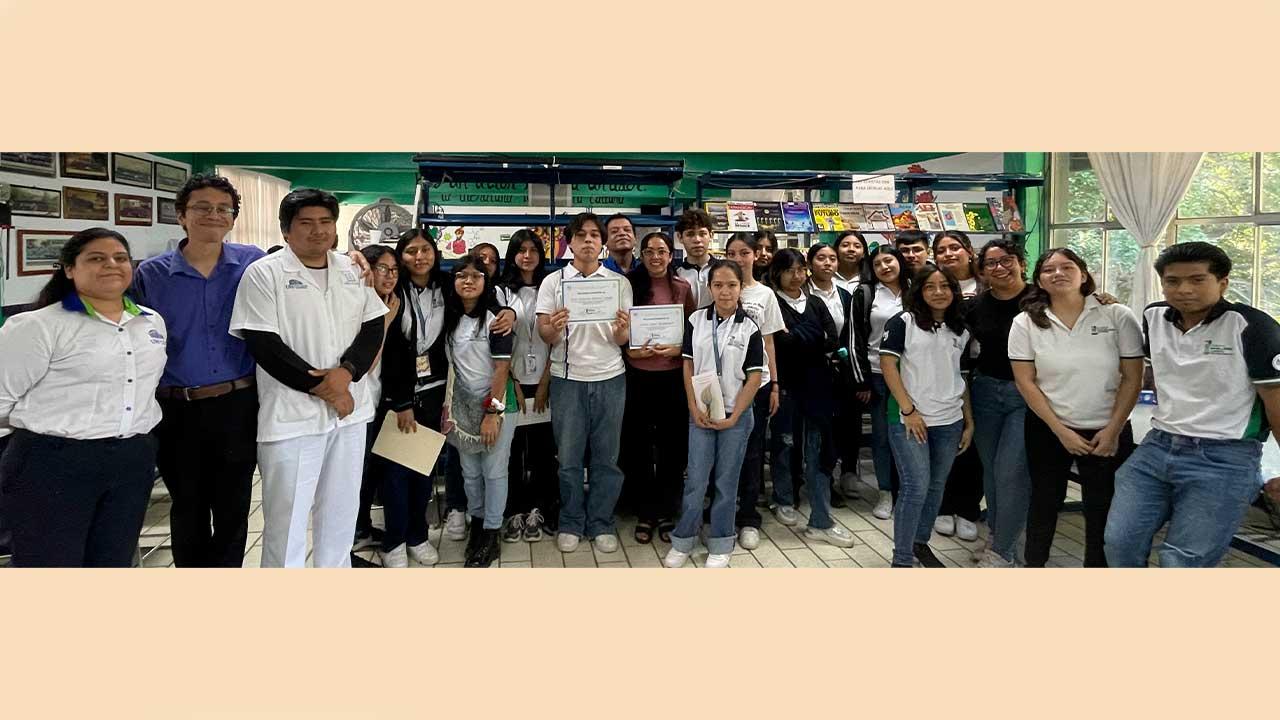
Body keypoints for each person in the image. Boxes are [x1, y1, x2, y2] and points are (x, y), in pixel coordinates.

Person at [229, 189, 388, 568]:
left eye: (325, 222)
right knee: (288, 523)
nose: (318, 231)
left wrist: (347, 374)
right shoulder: (264, 273)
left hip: (350, 415)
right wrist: (328, 390)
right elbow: (263, 344)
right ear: (286, 230)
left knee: (340, 515)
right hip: (293, 418)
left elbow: (371, 327)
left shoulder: (352, 270)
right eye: (306, 223)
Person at [1105, 241, 1280, 568]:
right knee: (1120, 543)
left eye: (1197, 280)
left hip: (1224, 458)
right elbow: (1154, 373)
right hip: (1156, 448)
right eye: (1172, 281)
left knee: (1183, 561)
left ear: (1222, 283)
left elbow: (1276, 403)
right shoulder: (1153, 316)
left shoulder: (1253, 327)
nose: (1183, 289)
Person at [0, 228, 168, 566]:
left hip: (130, 458)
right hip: (53, 462)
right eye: (96, 258)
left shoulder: (150, 322)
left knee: (113, 560)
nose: (111, 265)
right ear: (69, 268)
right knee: (51, 565)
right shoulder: (38, 326)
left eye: (120, 258)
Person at [130, 174, 263, 568]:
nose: (214, 214)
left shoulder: (253, 263)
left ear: (233, 218)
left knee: (234, 507)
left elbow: (304, 268)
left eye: (224, 209)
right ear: (181, 216)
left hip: (238, 403)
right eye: (202, 207)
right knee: (187, 505)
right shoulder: (150, 275)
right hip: (175, 409)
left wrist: (358, 259)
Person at [1009, 248, 1143, 567]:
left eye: (1067, 267)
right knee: (1044, 502)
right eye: (1049, 269)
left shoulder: (1116, 315)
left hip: (1107, 430)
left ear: (1083, 274)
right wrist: (1061, 431)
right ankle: (1035, 565)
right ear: (1039, 280)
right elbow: (1026, 381)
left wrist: (1112, 431)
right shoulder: (1026, 322)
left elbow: (1132, 378)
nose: (1058, 273)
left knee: (1102, 507)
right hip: (1049, 427)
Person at [536, 212, 634, 554]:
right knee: (569, 459)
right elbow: (544, 332)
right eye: (582, 235)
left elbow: (623, 339)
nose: (589, 240)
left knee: (607, 458)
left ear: (602, 242)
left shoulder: (618, 283)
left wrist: (623, 331)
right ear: (571, 242)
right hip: (568, 380)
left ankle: (601, 522)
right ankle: (571, 521)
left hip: (610, 378)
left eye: (595, 234)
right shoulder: (553, 282)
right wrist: (555, 327)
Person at [664, 260, 765, 568]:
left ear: (740, 288)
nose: (724, 291)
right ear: (709, 288)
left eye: (731, 285)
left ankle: (721, 541)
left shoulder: (750, 327)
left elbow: (755, 376)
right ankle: (684, 538)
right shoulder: (695, 321)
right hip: (703, 414)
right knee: (696, 479)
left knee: (726, 481)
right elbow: (688, 364)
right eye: (718, 285)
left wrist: (735, 417)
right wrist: (694, 407)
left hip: (736, 416)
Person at [879, 264, 974, 567]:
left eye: (945, 286)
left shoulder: (961, 327)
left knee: (936, 486)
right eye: (930, 286)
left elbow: (961, 375)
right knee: (915, 486)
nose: (938, 292)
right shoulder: (902, 322)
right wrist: (909, 410)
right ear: (919, 291)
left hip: (950, 420)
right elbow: (888, 366)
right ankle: (902, 558)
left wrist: (968, 420)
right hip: (909, 418)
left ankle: (920, 543)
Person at [768, 249, 856, 548]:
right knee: (784, 443)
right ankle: (783, 499)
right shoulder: (773, 302)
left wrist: (801, 335)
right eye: (789, 269)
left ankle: (821, 518)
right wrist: (810, 337)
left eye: (800, 269)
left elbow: (832, 339)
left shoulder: (816, 303)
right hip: (786, 386)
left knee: (818, 450)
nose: (796, 275)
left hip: (818, 386)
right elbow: (780, 342)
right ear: (777, 272)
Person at [619, 231, 696, 544]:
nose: (655, 257)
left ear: (670, 254)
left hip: (673, 379)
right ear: (641, 254)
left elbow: (693, 334)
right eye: (649, 251)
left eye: (661, 251)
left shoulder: (682, 287)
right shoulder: (630, 287)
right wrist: (631, 351)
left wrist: (677, 350)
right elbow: (620, 329)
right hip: (638, 376)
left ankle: (667, 510)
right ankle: (645, 510)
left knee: (672, 448)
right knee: (637, 447)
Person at [442, 255, 518, 568]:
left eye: (476, 276)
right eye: (462, 275)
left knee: (494, 471)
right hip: (463, 406)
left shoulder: (496, 319)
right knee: (470, 472)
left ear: (487, 282)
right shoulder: (449, 316)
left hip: (496, 405)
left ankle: (491, 530)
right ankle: (477, 523)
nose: (469, 281)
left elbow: (501, 369)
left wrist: (492, 413)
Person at [966, 238, 1034, 567]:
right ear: (982, 271)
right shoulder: (977, 305)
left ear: (1021, 262)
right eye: (991, 263)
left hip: (1027, 394)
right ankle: (997, 535)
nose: (999, 268)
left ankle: (1003, 552)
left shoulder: (1040, 299)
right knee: (991, 473)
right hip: (986, 392)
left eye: (1006, 260)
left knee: (1011, 473)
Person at [353, 244, 418, 565]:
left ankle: (362, 528)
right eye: (383, 269)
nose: (390, 276)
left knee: (375, 471)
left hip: (380, 403)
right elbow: (360, 364)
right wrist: (386, 322)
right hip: (353, 405)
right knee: (356, 473)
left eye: (394, 270)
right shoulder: (357, 304)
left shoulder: (392, 302)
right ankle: (353, 534)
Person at [496, 229, 557, 542]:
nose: (528, 255)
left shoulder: (551, 287)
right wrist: (513, 382)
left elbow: (559, 337)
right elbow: (495, 344)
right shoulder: (501, 291)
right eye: (521, 250)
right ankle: (515, 510)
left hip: (546, 381)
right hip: (514, 380)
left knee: (544, 450)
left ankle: (539, 508)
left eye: (534, 250)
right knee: (513, 450)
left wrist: (546, 378)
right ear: (513, 254)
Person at [723, 233, 783, 549]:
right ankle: (721, 509)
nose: (738, 257)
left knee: (752, 451)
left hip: (756, 385)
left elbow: (770, 341)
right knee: (723, 451)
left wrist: (774, 383)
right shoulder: (718, 287)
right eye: (731, 252)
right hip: (723, 385)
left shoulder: (765, 295)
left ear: (754, 255)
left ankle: (748, 517)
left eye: (744, 252)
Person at [806, 241, 871, 506]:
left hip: (841, 370)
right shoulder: (801, 292)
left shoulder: (845, 295)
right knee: (818, 429)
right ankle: (821, 482)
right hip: (810, 371)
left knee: (845, 424)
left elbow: (852, 335)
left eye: (832, 259)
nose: (828, 263)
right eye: (821, 258)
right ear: (810, 263)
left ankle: (844, 475)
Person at [931, 230, 983, 541]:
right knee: (945, 440)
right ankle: (943, 506)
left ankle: (968, 508)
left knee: (973, 442)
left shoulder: (987, 284)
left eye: (955, 248)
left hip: (981, 372)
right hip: (941, 372)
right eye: (941, 250)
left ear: (968, 251)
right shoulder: (932, 283)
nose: (949, 254)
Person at [862, 245, 911, 519]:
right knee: (882, 436)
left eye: (889, 260)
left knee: (909, 434)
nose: (884, 267)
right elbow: (859, 335)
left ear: (899, 261)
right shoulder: (868, 293)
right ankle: (885, 491)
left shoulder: (917, 290)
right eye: (878, 263)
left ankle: (908, 488)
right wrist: (861, 379)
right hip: (878, 372)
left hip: (913, 374)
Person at [674, 208, 714, 309]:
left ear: (711, 235)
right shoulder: (675, 273)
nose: (697, 240)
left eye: (702, 234)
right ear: (680, 237)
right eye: (690, 234)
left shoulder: (723, 270)